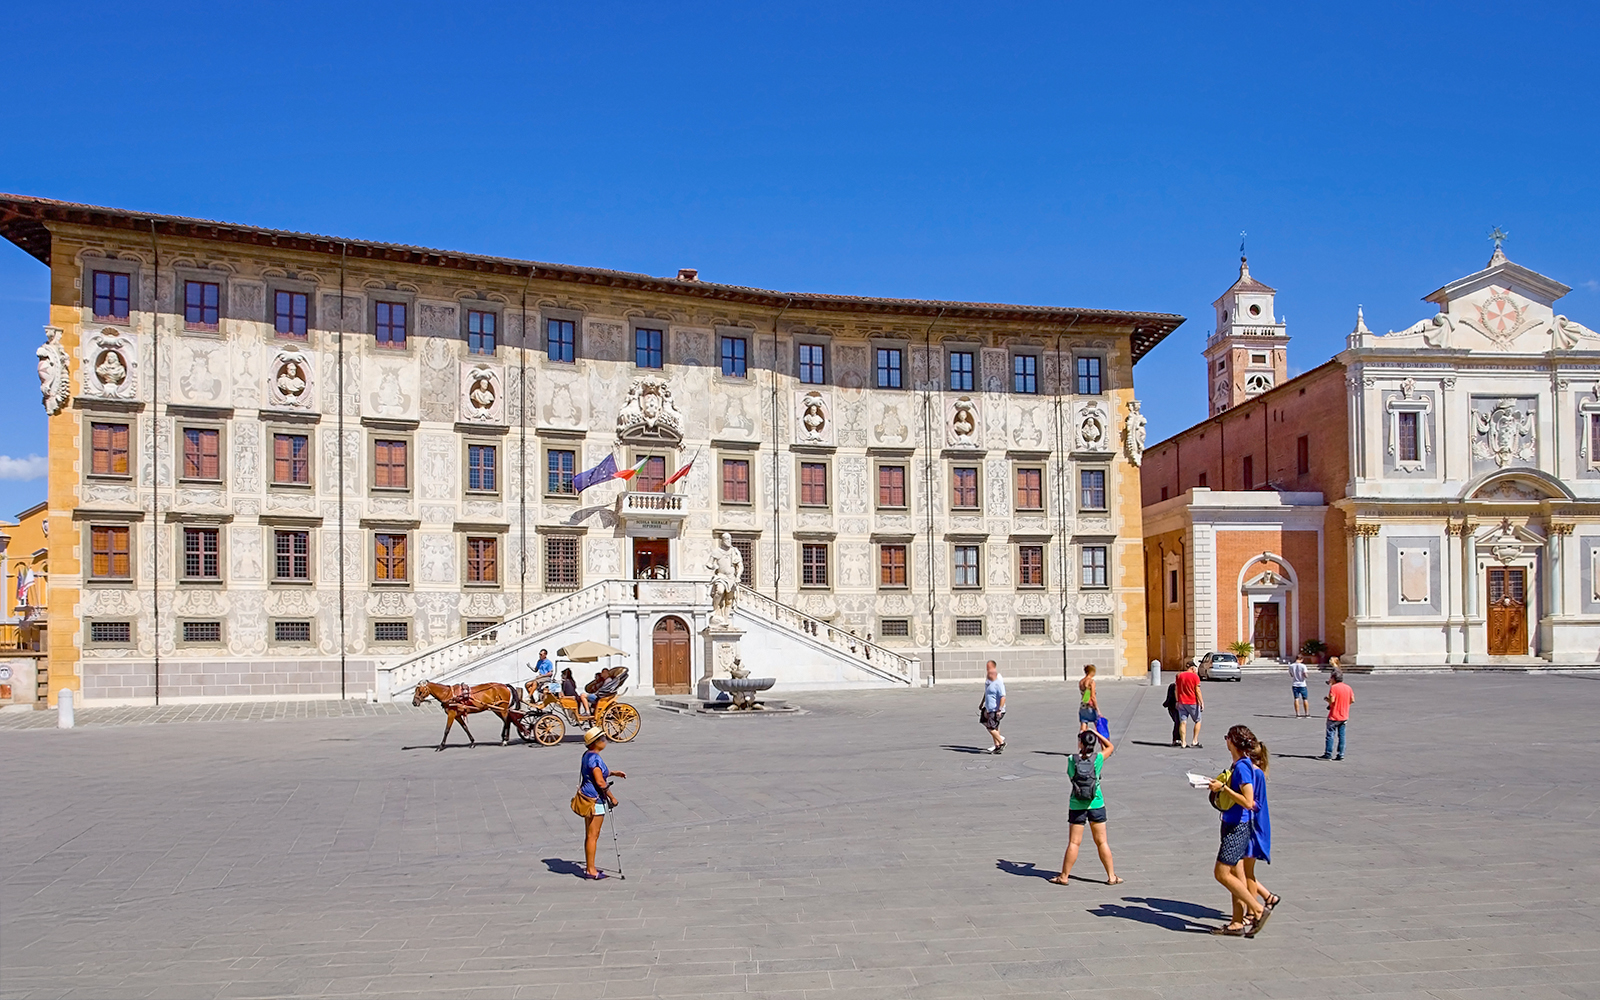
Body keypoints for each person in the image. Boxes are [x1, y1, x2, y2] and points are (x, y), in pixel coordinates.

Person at [1207, 725, 1270, 937]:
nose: (1226, 741)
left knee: (1221, 873)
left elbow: (1248, 801)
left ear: (1233, 742)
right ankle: (1236, 922)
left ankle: (1258, 910)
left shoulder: (1243, 767)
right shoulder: (1238, 764)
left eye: (1227, 738)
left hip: (1238, 826)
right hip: (1232, 823)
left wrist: (1223, 789)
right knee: (1235, 872)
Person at [1050, 729, 1121, 886]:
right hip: (1096, 803)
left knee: (1074, 842)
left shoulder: (1071, 759)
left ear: (1080, 743)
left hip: (1077, 804)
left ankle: (1064, 876)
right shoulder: (1098, 758)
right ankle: (1111, 876)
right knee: (1102, 842)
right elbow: (1110, 747)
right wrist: (1097, 733)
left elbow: (1071, 777)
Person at [573, 726, 625, 880]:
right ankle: (591, 870)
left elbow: (597, 772)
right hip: (595, 800)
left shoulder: (587, 755)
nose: (605, 741)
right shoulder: (595, 759)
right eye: (603, 739)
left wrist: (614, 772)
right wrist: (612, 797)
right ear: (596, 742)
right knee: (593, 835)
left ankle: (590, 867)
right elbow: (600, 781)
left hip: (586, 797)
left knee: (589, 835)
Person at [1320, 669, 1354, 760]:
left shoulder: (1334, 688)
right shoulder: (1348, 687)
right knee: (1342, 736)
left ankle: (1328, 753)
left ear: (1334, 678)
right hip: (1344, 715)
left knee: (1330, 735)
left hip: (1334, 715)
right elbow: (1352, 700)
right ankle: (1341, 754)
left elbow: (1332, 701)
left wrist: (1327, 700)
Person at [1175, 660, 1204, 748]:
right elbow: (1197, 690)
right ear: (1192, 668)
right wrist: (1201, 702)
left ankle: (1183, 742)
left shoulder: (1179, 676)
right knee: (1198, 720)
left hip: (1181, 702)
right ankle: (1194, 740)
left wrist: (1177, 700)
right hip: (1192, 702)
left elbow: (1176, 689)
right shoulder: (1195, 677)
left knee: (1183, 722)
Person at [980, 660, 1006, 753]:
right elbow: (986, 692)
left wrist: (1000, 708)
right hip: (988, 707)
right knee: (991, 725)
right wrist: (982, 703)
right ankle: (997, 745)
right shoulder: (988, 679)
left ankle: (1000, 741)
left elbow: (1002, 696)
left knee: (990, 726)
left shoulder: (998, 679)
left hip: (995, 708)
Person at [1078, 664, 1099, 734]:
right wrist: (1097, 709)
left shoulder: (1081, 682)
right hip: (1090, 706)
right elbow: (1093, 696)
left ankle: (1082, 741)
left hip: (1083, 705)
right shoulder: (1091, 682)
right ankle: (1103, 743)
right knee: (1097, 724)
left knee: (1084, 723)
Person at [1163, 678, 1181, 746]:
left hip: (1180, 707)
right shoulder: (1173, 686)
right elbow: (1169, 697)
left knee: (1179, 722)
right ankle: (1176, 739)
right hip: (1173, 707)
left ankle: (1179, 739)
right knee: (1178, 722)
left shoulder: (1182, 686)